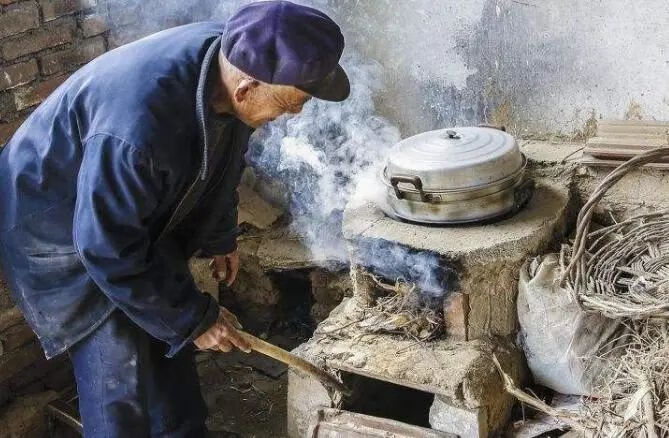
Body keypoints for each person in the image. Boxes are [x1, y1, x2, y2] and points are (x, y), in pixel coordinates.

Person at [0, 1, 349, 436]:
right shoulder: (139, 129)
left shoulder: (232, 62)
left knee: (170, 353)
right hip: (60, 231)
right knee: (122, 379)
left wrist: (220, 235)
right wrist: (192, 320)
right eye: (289, 104)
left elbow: (226, 152)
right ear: (247, 88)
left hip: (126, 216)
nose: (294, 115)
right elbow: (105, 247)